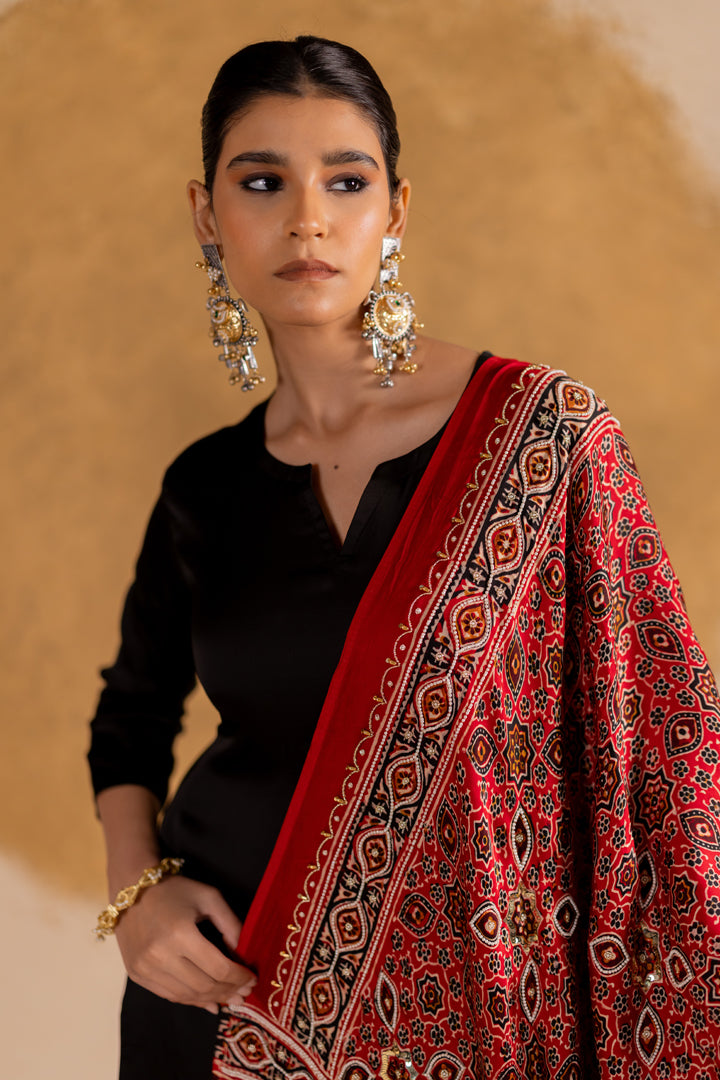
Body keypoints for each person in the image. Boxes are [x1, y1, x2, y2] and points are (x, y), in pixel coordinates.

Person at [88, 35, 720, 1080]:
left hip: (487, 1010)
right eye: (262, 182)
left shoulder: (547, 436)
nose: (308, 218)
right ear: (207, 214)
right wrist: (136, 897)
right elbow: (131, 717)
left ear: (397, 211)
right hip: (219, 1005)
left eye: (347, 180)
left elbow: (667, 749)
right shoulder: (205, 485)